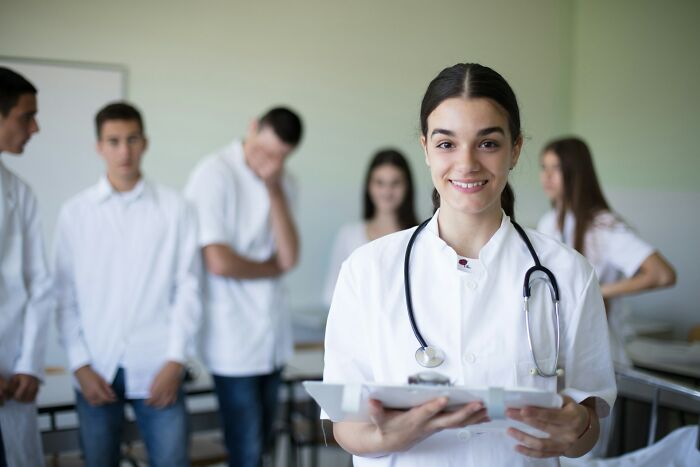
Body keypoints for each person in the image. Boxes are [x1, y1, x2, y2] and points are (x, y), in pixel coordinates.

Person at [323, 63, 617, 466]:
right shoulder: (367, 270)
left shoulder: (568, 273)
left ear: (515, 149)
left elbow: (586, 427)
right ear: (425, 148)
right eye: (447, 144)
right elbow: (344, 424)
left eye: (488, 143)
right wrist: (386, 436)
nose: (466, 164)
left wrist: (574, 431)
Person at [54, 102, 201, 467]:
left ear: (145, 142)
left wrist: (175, 360)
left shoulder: (175, 208)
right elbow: (63, 294)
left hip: (158, 366)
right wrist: (79, 365)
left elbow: (189, 287)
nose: (124, 151)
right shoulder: (75, 214)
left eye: (132, 139)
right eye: (114, 141)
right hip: (95, 368)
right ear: (99, 146)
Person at [184, 106, 303, 467]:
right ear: (252, 128)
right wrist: (270, 268)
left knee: (263, 443)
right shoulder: (214, 173)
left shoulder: (285, 182)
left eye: (279, 156)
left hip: (272, 337)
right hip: (232, 338)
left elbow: (289, 256)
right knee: (246, 451)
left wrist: (274, 189)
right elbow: (218, 261)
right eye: (263, 149)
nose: (268, 160)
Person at [537, 137, 676, 365]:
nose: (546, 176)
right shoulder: (548, 223)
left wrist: (598, 292)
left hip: (600, 354)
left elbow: (662, 274)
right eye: (544, 167)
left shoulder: (603, 226)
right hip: (560, 349)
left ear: (577, 173)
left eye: (557, 168)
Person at [0, 67, 52, 467]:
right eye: (25, 116)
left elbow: (39, 286)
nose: (35, 128)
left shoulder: (20, 193)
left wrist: (30, 365)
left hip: (15, 381)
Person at [323, 148, 418, 306]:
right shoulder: (349, 235)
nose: (387, 191)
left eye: (395, 183)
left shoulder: (422, 236)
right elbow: (332, 294)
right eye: (379, 183)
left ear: (407, 187)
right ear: (369, 186)